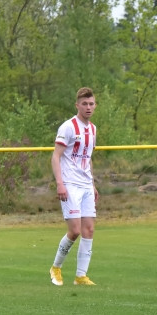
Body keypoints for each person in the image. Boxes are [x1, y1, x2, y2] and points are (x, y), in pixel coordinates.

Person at [49, 87, 99, 286]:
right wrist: (60, 184)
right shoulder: (68, 127)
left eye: (91, 104)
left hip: (86, 185)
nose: (88, 107)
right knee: (75, 230)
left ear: (95, 106)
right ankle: (56, 267)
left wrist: (93, 184)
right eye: (84, 104)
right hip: (70, 184)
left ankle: (81, 276)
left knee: (89, 230)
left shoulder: (93, 129)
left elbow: (88, 159)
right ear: (77, 105)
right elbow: (55, 156)